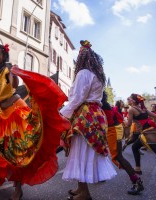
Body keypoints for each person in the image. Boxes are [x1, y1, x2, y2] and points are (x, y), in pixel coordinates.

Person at [0, 43, 69, 200]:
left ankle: (17, 190)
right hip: (2, 116)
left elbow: (14, 85)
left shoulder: (6, 71)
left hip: (16, 112)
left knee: (15, 152)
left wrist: (13, 72)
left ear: (4, 57)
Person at [60, 40, 117, 200]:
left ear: (82, 59)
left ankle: (84, 193)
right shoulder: (97, 76)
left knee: (80, 152)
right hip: (96, 115)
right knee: (84, 151)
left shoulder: (83, 73)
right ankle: (80, 188)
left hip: (85, 115)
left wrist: (63, 114)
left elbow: (77, 97)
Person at [101, 91, 144, 195]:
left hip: (114, 130)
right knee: (117, 156)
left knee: (118, 157)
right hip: (114, 130)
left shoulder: (101, 104)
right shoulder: (103, 103)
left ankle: (137, 182)